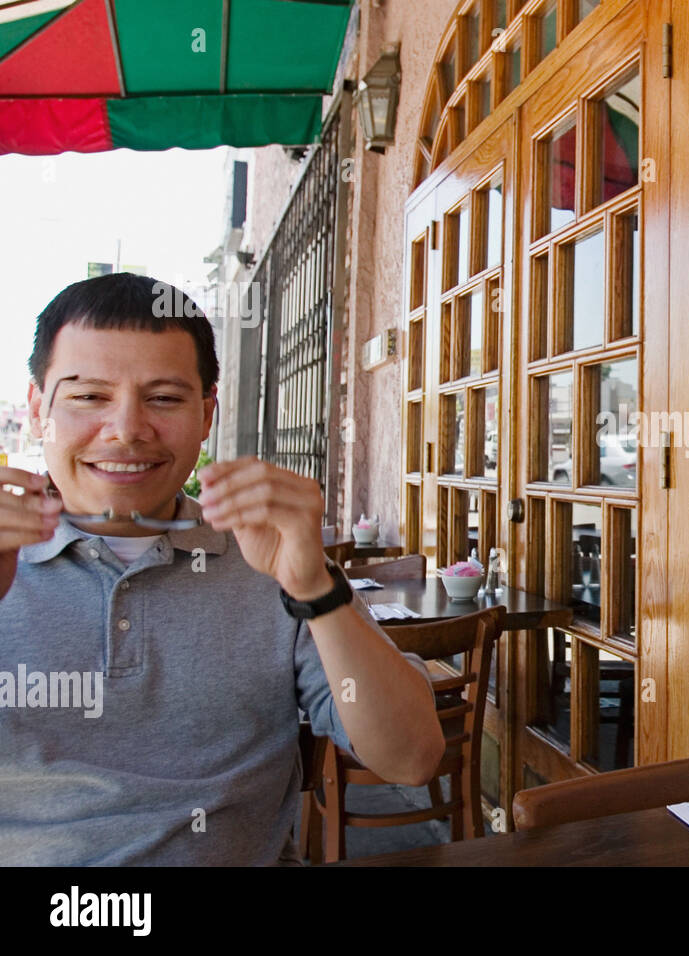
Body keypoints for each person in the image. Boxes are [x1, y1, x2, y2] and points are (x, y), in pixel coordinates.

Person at [0, 273, 442, 865]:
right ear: (38, 409)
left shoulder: (264, 557)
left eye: (164, 398)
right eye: (88, 396)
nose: (127, 429)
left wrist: (315, 588)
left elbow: (410, 757)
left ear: (207, 414)